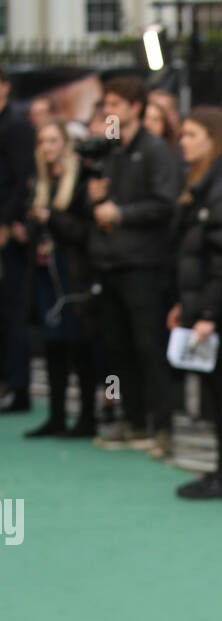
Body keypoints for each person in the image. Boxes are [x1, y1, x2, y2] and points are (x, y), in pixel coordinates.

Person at [87, 75, 178, 459]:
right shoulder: (112, 150)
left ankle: (162, 428)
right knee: (119, 348)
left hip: (144, 264)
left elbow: (165, 203)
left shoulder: (155, 150)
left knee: (148, 348)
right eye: (106, 102)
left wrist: (120, 212)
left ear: (134, 107)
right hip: (111, 262)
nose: (109, 109)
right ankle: (133, 420)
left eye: (116, 103)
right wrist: (95, 194)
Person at [167, 107, 222, 500]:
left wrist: (207, 314)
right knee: (217, 394)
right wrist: (186, 307)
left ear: (212, 138)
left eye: (191, 134)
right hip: (211, 308)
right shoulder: (204, 185)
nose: (182, 141)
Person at [22, 119, 96, 438]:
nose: (47, 147)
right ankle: (55, 415)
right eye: (42, 141)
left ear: (65, 143)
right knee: (52, 347)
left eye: (53, 140)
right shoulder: (38, 183)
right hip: (44, 276)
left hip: (74, 277)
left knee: (80, 347)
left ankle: (87, 418)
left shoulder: (80, 181)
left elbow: (84, 233)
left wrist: (51, 218)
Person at [0, 65, 36, 413]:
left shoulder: (17, 127)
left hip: (10, 237)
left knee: (14, 312)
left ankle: (19, 388)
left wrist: (7, 223)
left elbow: (22, 180)